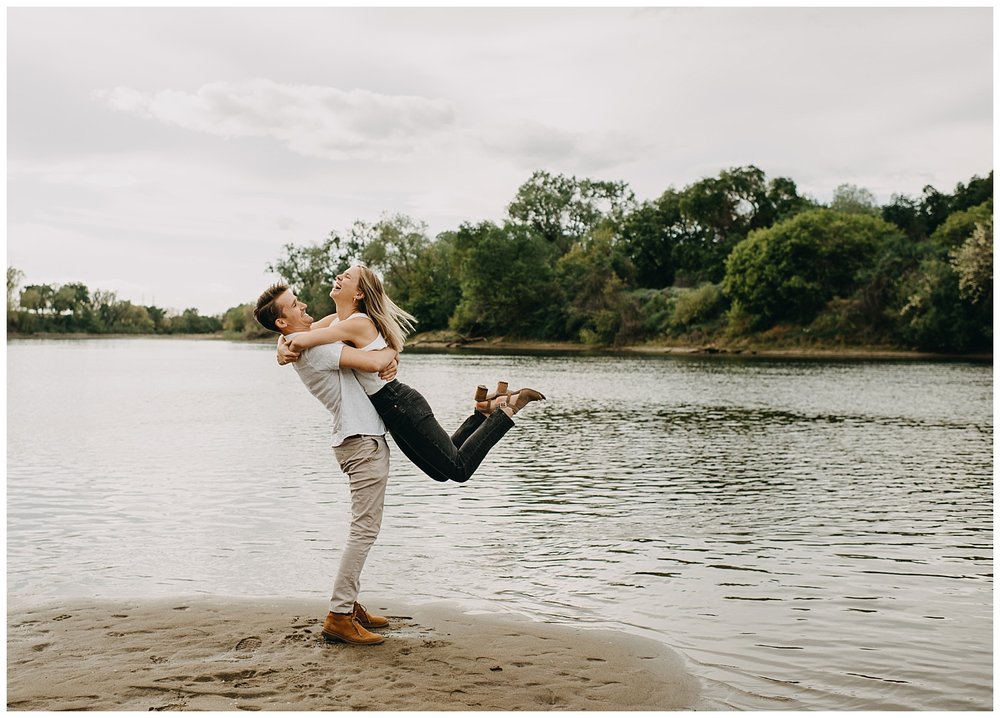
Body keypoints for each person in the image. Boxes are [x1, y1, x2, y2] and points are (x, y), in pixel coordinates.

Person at [276, 264, 545, 484]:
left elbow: (301, 340)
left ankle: (508, 409)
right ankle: (482, 413)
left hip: (400, 403)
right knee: (442, 472)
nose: (338, 277)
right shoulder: (338, 320)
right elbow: (300, 334)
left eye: (347, 277)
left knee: (460, 470)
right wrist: (281, 344)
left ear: (359, 294)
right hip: (393, 409)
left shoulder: (356, 323)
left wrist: (285, 346)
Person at [254, 282, 398, 647]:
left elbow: (339, 319)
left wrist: (283, 343)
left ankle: (350, 605)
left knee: (363, 528)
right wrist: (392, 350)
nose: (303, 306)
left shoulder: (307, 341)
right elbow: (375, 361)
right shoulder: (316, 351)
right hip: (361, 442)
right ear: (283, 323)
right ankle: (339, 615)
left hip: (358, 439)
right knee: (364, 530)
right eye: (293, 306)